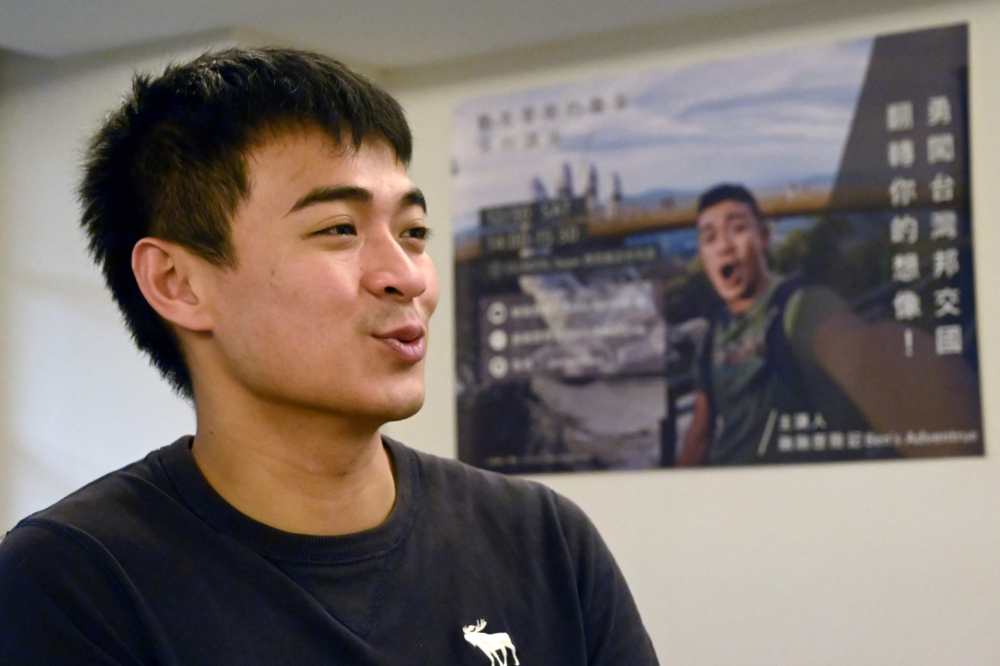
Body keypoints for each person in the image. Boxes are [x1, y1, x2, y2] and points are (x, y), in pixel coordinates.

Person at [0, 49, 658, 665]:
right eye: (339, 229)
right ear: (179, 283)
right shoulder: (74, 581)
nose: (406, 276)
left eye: (413, 232)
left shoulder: (543, 543)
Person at [677, 184, 980, 466]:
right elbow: (699, 434)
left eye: (738, 228)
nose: (724, 247)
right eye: (709, 238)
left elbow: (863, 348)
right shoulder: (710, 334)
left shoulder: (800, 304)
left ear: (765, 237)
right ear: (702, 255)